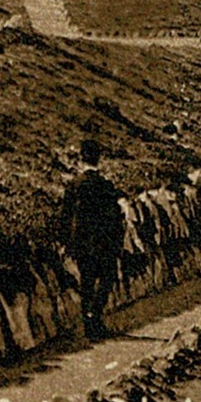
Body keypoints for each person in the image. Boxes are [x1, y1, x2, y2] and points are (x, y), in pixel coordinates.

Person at [58, 138, 125, 339]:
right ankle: (95, 316)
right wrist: (117, 242)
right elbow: (115, 217)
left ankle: (88, 322)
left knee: (86, 282)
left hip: (82, 243)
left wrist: (65, 243)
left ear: (81, 159)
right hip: (103, 243)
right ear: (99, 159)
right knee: (107, 279)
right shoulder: (105, 185)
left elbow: (65, 217)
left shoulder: (74, 185)